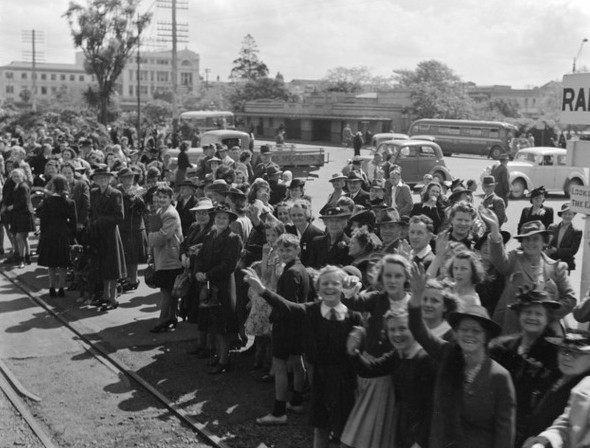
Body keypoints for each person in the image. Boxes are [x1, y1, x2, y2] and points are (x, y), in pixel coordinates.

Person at [242, 265, 363, 448]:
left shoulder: (353, 314)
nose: (330, 287)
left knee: (343, 430)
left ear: (342, 287)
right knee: (320, 427)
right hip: (320, 379)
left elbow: (366, 331)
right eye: (325, 283)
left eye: (335, 283)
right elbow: (287, 306)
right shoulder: (312, 310)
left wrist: (360, 333)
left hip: (345, 381)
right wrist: (262, 290)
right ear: (318, 287)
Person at [407, 263, 516, 448]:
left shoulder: (499, 376)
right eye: (464, 329)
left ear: (486, 337)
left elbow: (505, 432)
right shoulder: (448, 354)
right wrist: (417, 295)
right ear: (456, 333)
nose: (469, 335)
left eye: (476, 331)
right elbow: (419, 330)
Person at [340, 254, 412, 448]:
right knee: (367, 422)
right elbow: (354, 302)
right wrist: (348, 287)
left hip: (395, 371)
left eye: (398, 276)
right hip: (371, 366)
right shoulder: (377, 298)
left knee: (379, 424)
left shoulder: (412, 304)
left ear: (406, 277)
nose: (392, 280)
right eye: (388, 275)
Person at [346, 308, 437, 448]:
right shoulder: (398, 354)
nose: (397, 334)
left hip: (422, 432)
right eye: (392, 330)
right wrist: (354, 353)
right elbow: (370, 370)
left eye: (402, 328)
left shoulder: (425, 360)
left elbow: (434, 408)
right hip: (404, 424)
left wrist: (420, 441)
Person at [479, 207, 576, 335]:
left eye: (535, 238)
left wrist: (546, 315)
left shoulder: (557, 267)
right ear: (522, 242)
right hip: (512, 330)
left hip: (545, 333)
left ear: (544, 241)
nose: (530, 243)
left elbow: (571, 299)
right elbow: (498, 259)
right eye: (526, 239)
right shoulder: (514, 259)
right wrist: (495, 227)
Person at [489, 287, 561, 447]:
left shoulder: (556, 354)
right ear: (519, 314)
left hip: (535, 433)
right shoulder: (502, 348)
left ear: (547, 318)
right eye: (527, 312)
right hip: (502, 425)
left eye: (538, 314)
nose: (532, 317)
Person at [256, 233, 310, 426]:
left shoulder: (291, 273)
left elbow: (288, 305)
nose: (284, 253)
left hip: (286, 326)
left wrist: (274, 321)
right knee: (297, 363)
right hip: (299, 326)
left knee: (280, 367)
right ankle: (296, 402)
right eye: (281, 249)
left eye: (289, 249)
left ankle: (279, 412)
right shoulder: (301, 269)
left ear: (297, 250)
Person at [194, 204, 242, 373]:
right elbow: (200, 256)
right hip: (209, 284)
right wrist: (198, 271)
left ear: (229, 221)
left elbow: (228, 265)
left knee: (223, 325)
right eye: (218, 217)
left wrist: (207, 274)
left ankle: (224, 360)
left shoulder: (233, 238)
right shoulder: (209, 235)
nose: (221, 220)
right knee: (213, 321)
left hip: (223, 286)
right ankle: (216, 354)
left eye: (224, 217)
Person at [522, 331, 590, 448]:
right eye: (564, 351)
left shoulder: (583, 389)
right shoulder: (555, 377)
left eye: (576, 353)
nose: (567, 357)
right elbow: (565, 427)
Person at [88, 166, 127, 310]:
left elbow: (119, 216)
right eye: (99, 178)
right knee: (102, 266)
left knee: (112, 266)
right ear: (95, 180)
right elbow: (91, 211)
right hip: (98, 234)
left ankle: (113, 297)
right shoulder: (94, 193)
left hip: (110, 234)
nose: (102, 180)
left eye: (105, 177)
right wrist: (92, 223)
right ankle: (105, 295)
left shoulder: (116, 194)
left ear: (110, 179)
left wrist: (101, 221)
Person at [148, 184, 183, 332]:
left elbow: (163, 235)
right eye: (159, 197)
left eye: (164, 197)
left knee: (167, 291)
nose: (161, 200)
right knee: (169, 290)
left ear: (171, 198)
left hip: (170, 258)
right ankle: (171, 317)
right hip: (163, 256)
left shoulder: (170, 213)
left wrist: (149, 237)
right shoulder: (160, 210)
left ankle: (162, 320)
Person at [181, 197, 215, 352]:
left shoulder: (212, 230)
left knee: (205, 310)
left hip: (202, 274)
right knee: (196, 308)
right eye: (198, 213)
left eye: (204, 213)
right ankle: (200, 342)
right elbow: (184, 244)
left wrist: (192, 257)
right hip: (191, 273)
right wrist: (183, 256)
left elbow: (207, 253)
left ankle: (207, 344)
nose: (201, 216)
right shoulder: (194, 227)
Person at [37, 174, 77, 297]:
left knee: (52, 264)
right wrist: (71, 235)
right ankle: (61, 288)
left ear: (53, 186)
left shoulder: (47, 201)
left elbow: (43, 220)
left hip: (50, 233)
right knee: (63, 264)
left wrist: (43, 234)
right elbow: (74, 222)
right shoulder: (70, 202)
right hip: (64, 234)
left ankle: (51, 288)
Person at [116, 168, 148, 291]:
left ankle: (133, 279)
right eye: (127, 177)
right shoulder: (118, 190)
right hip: (122, 227)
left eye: (131, 177)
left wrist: (138, 200)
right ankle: (126, 278)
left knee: (133, 255)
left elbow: (144, 209)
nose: (129, 179)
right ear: (121, 179)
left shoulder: (138, 190)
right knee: (124, 254)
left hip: (135, 227)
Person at [8, 168, 35, 268]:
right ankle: (27, 257)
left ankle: (22, 259)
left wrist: (13, 206)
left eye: (18, 176)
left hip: (24, 215)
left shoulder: (23, 187)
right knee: (24, 237)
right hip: (20, 215)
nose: (16, 178)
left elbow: (24, 202)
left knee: (19, 237)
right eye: (14, 176)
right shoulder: (17, 185)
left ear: (22, 177)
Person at [545, 202, 582, 273]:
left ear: (573, 215)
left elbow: (573, 250)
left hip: (565, 262)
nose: (567, 216)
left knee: (562, 283)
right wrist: (546, 249)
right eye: (565, 214)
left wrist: (556, 250)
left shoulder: (577, 231)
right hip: (550, 260)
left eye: (570, 214)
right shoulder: (552, 227)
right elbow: (546, 243)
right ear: (561, 215)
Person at [286, 199, 323, 267]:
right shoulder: (288, 231)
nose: (296, 218)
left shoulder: (317, 234)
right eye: (293, 215)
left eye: (300, 215)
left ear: (307, 215)